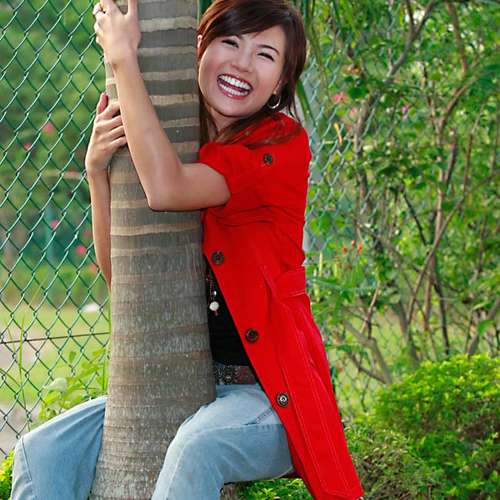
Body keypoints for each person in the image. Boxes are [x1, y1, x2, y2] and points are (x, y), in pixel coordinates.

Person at [11, 0, 364, 498]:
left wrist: (122, 59)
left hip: (269, 396)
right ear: (198, 46)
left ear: (281, 82)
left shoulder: (279, 146)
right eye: (230, 42)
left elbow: (166, 189)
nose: (242, 64)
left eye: (265, 55)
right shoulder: (173, 136)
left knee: (200, 445)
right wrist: (96, 173)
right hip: (187, 381)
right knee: (41, 451)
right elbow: (124, 282)